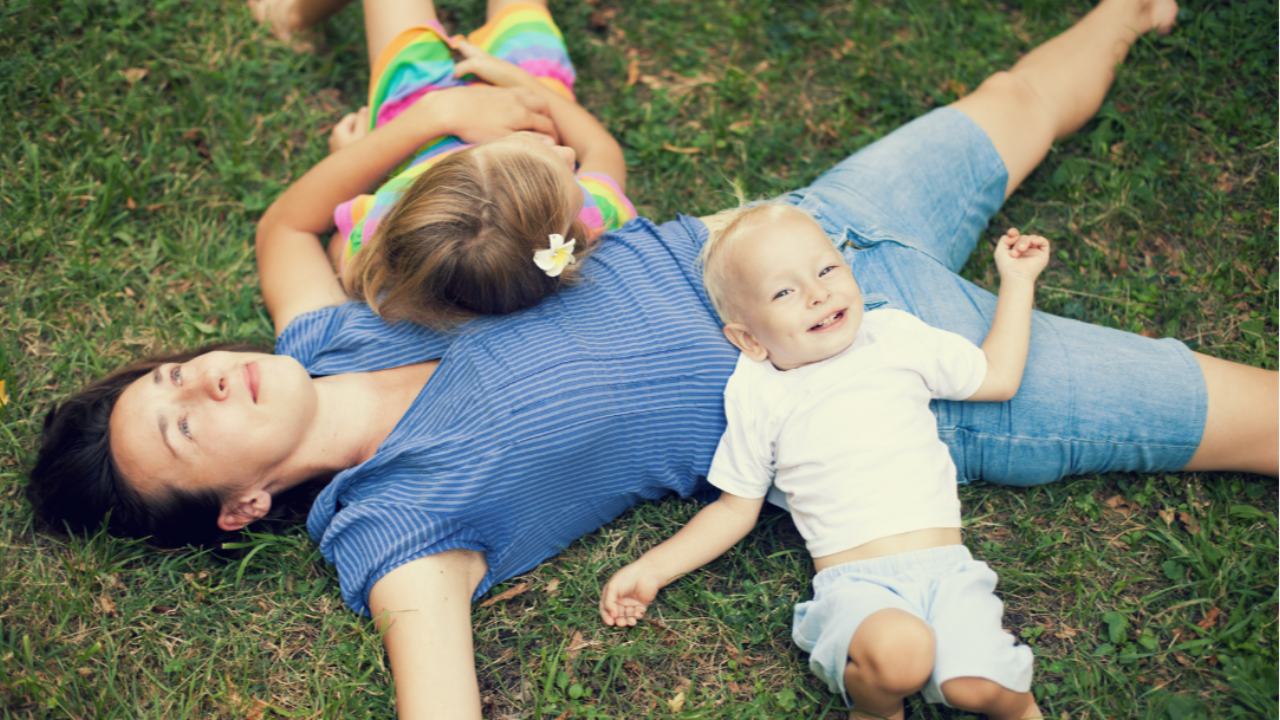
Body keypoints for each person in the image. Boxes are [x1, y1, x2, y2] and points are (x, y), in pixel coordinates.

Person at [26, 0, 1280, 717]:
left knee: (1013, 99)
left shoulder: (335, 321)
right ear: (244, 508)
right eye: (183, 425)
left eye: (171, 376)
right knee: (1251, 420)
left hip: (796, 225)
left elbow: (282, 224)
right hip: (885, 379)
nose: (200, 381)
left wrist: (439, 120)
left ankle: (1122, 10)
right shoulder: (393, 532)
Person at [599, 203, 1049, 720]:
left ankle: (1019, 707)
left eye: (826, 269)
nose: (818, 293)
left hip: (950, 572)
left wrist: (1016, 280)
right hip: (856, 585)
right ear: (749, 339)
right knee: (902, 653)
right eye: (784, 292)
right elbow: (732, 509)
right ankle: (876, 707)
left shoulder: (894, 336)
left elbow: (997, 376)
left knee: (982, 688)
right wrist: (652, 569)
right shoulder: (759, 392)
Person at [303, 0, 635, 327]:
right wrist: (521, 80)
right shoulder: (591, 219)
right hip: (533, 98)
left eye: (529, 140)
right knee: (522, 11)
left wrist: (354, 154)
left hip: (414, 110)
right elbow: (600, 148)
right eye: (545, 145)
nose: (569, 154)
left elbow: (340, 245)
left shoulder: (384, 229)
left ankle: (291, 16)